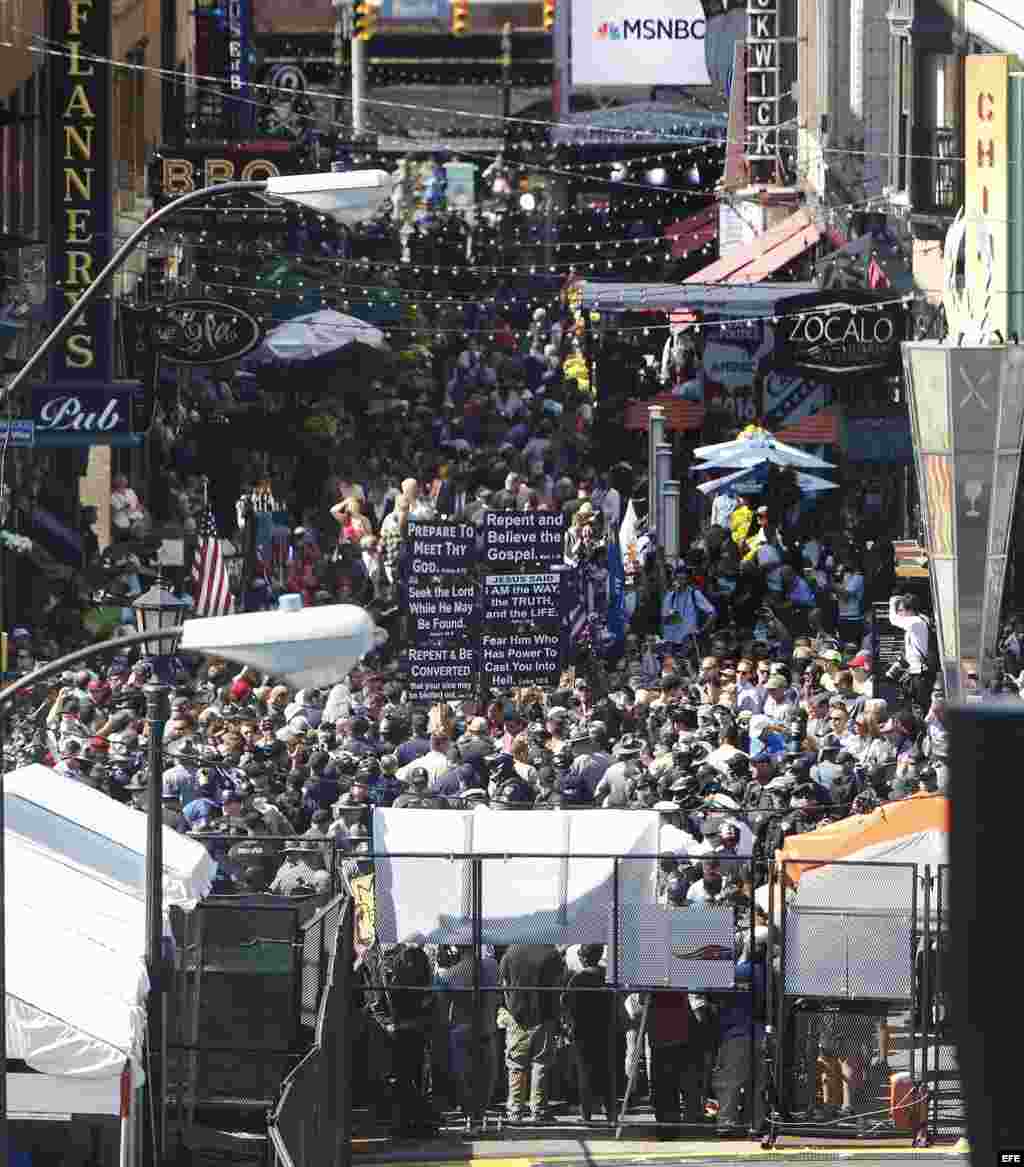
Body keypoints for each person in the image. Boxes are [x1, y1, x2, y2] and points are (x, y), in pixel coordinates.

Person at [497, 944, 565, 1121]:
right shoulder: (552, 954)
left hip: (517, 1018)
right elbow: (558, 988)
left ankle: (515, 1111)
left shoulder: (511, 952)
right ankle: (539, 1111)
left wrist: (511, 1009)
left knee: (516, 1065)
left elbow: (504, 985)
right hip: (545, 1016)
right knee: (540, 1065)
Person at [561, 944, 617, 1123]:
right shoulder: (607, 976)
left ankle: (586, 1115)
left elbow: (566, 1002)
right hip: (606, 1029)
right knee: (607, 1071)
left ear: (584, 958)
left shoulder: (578, 979)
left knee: (585, 1072)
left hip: (583, 1030)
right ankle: (611, 1114)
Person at [888, 593, 934, 713]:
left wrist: (892, 602)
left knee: (921, 707)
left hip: (921, 673)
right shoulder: (919, 620)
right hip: (917, 672)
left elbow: (893, 620)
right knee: (914, 706)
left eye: (900, 610)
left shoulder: (915, 622)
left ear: (909, 610)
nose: (898, 613)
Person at [661, 564, 716, 649]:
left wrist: (701, 631)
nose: (680, 582)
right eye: (678, 579)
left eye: (683, 579)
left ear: (688, 580)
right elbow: (665, 619)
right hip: (671, 641)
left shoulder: (694, 594)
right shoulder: (670, 596)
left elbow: (712, 613)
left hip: (689, 642)